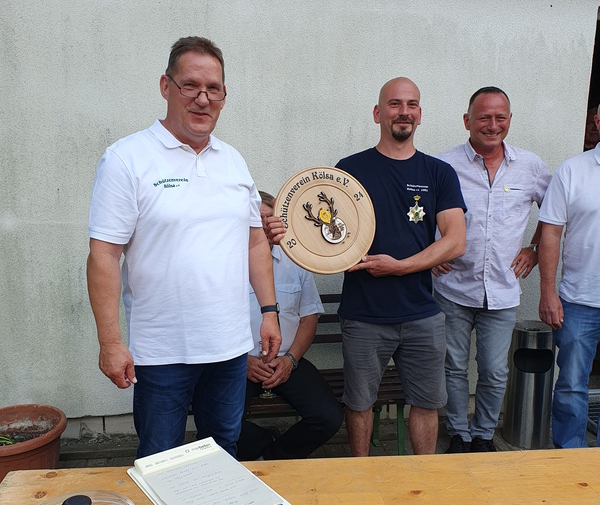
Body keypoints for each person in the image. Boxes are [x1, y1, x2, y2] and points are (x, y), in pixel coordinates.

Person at [87, 37, 281, 459]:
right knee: (161, 457)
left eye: (213, 89)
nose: (202, 98)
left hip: (230, 346)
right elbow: (104, 255)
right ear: (166, 86)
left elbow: (254, 242)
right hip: (162, 351)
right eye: (190, 85)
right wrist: (111, 342)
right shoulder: (126, 159)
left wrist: (269, 311)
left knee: (224, 448)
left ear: (224, 96)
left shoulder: (233, 161)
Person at [329, 77, 466, 456]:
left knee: (426, 402)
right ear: (378, 113)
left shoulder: (439, 173)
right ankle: (361, 475)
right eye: (394, 104)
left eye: (411, 104)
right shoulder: (348, 170)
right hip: (364, 314)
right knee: (359, 403)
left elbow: (456, 240)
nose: (403, 112)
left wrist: (402, 266)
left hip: (422, 314)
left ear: (420, 114)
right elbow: (327, 233)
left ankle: (423, 477)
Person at [433, 87, 551, 453]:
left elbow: (555, 212)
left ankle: (483, 434)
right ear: (467, 120)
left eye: (500, 117)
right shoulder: (443, 165)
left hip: (501, 289)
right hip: (453, 287)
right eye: (484, 117)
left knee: (495, 370)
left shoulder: (530, 166)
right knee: (453, 367)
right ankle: (458, 433)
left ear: (510, 120)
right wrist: (431, 252)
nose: (492, 125)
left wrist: (534, 248)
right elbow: (419, 214)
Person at [236, 192, 343, 460]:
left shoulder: (296, 262)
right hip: (240, 364)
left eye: (268, 218)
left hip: (287, 361)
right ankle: (264, 441)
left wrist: (291, 360)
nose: (263, 225)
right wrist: (243, 361)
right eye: (256, 218)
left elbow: (309, 318)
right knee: (217, 422)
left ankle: (274, 458)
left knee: (328, 417)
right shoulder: (227, 263)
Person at [538, 104, 600, 448]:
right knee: (572, 385)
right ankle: (570, 456)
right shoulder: (572, 170)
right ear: (597, 121)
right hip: (579, 300)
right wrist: (548, 292)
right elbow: (550, 234)